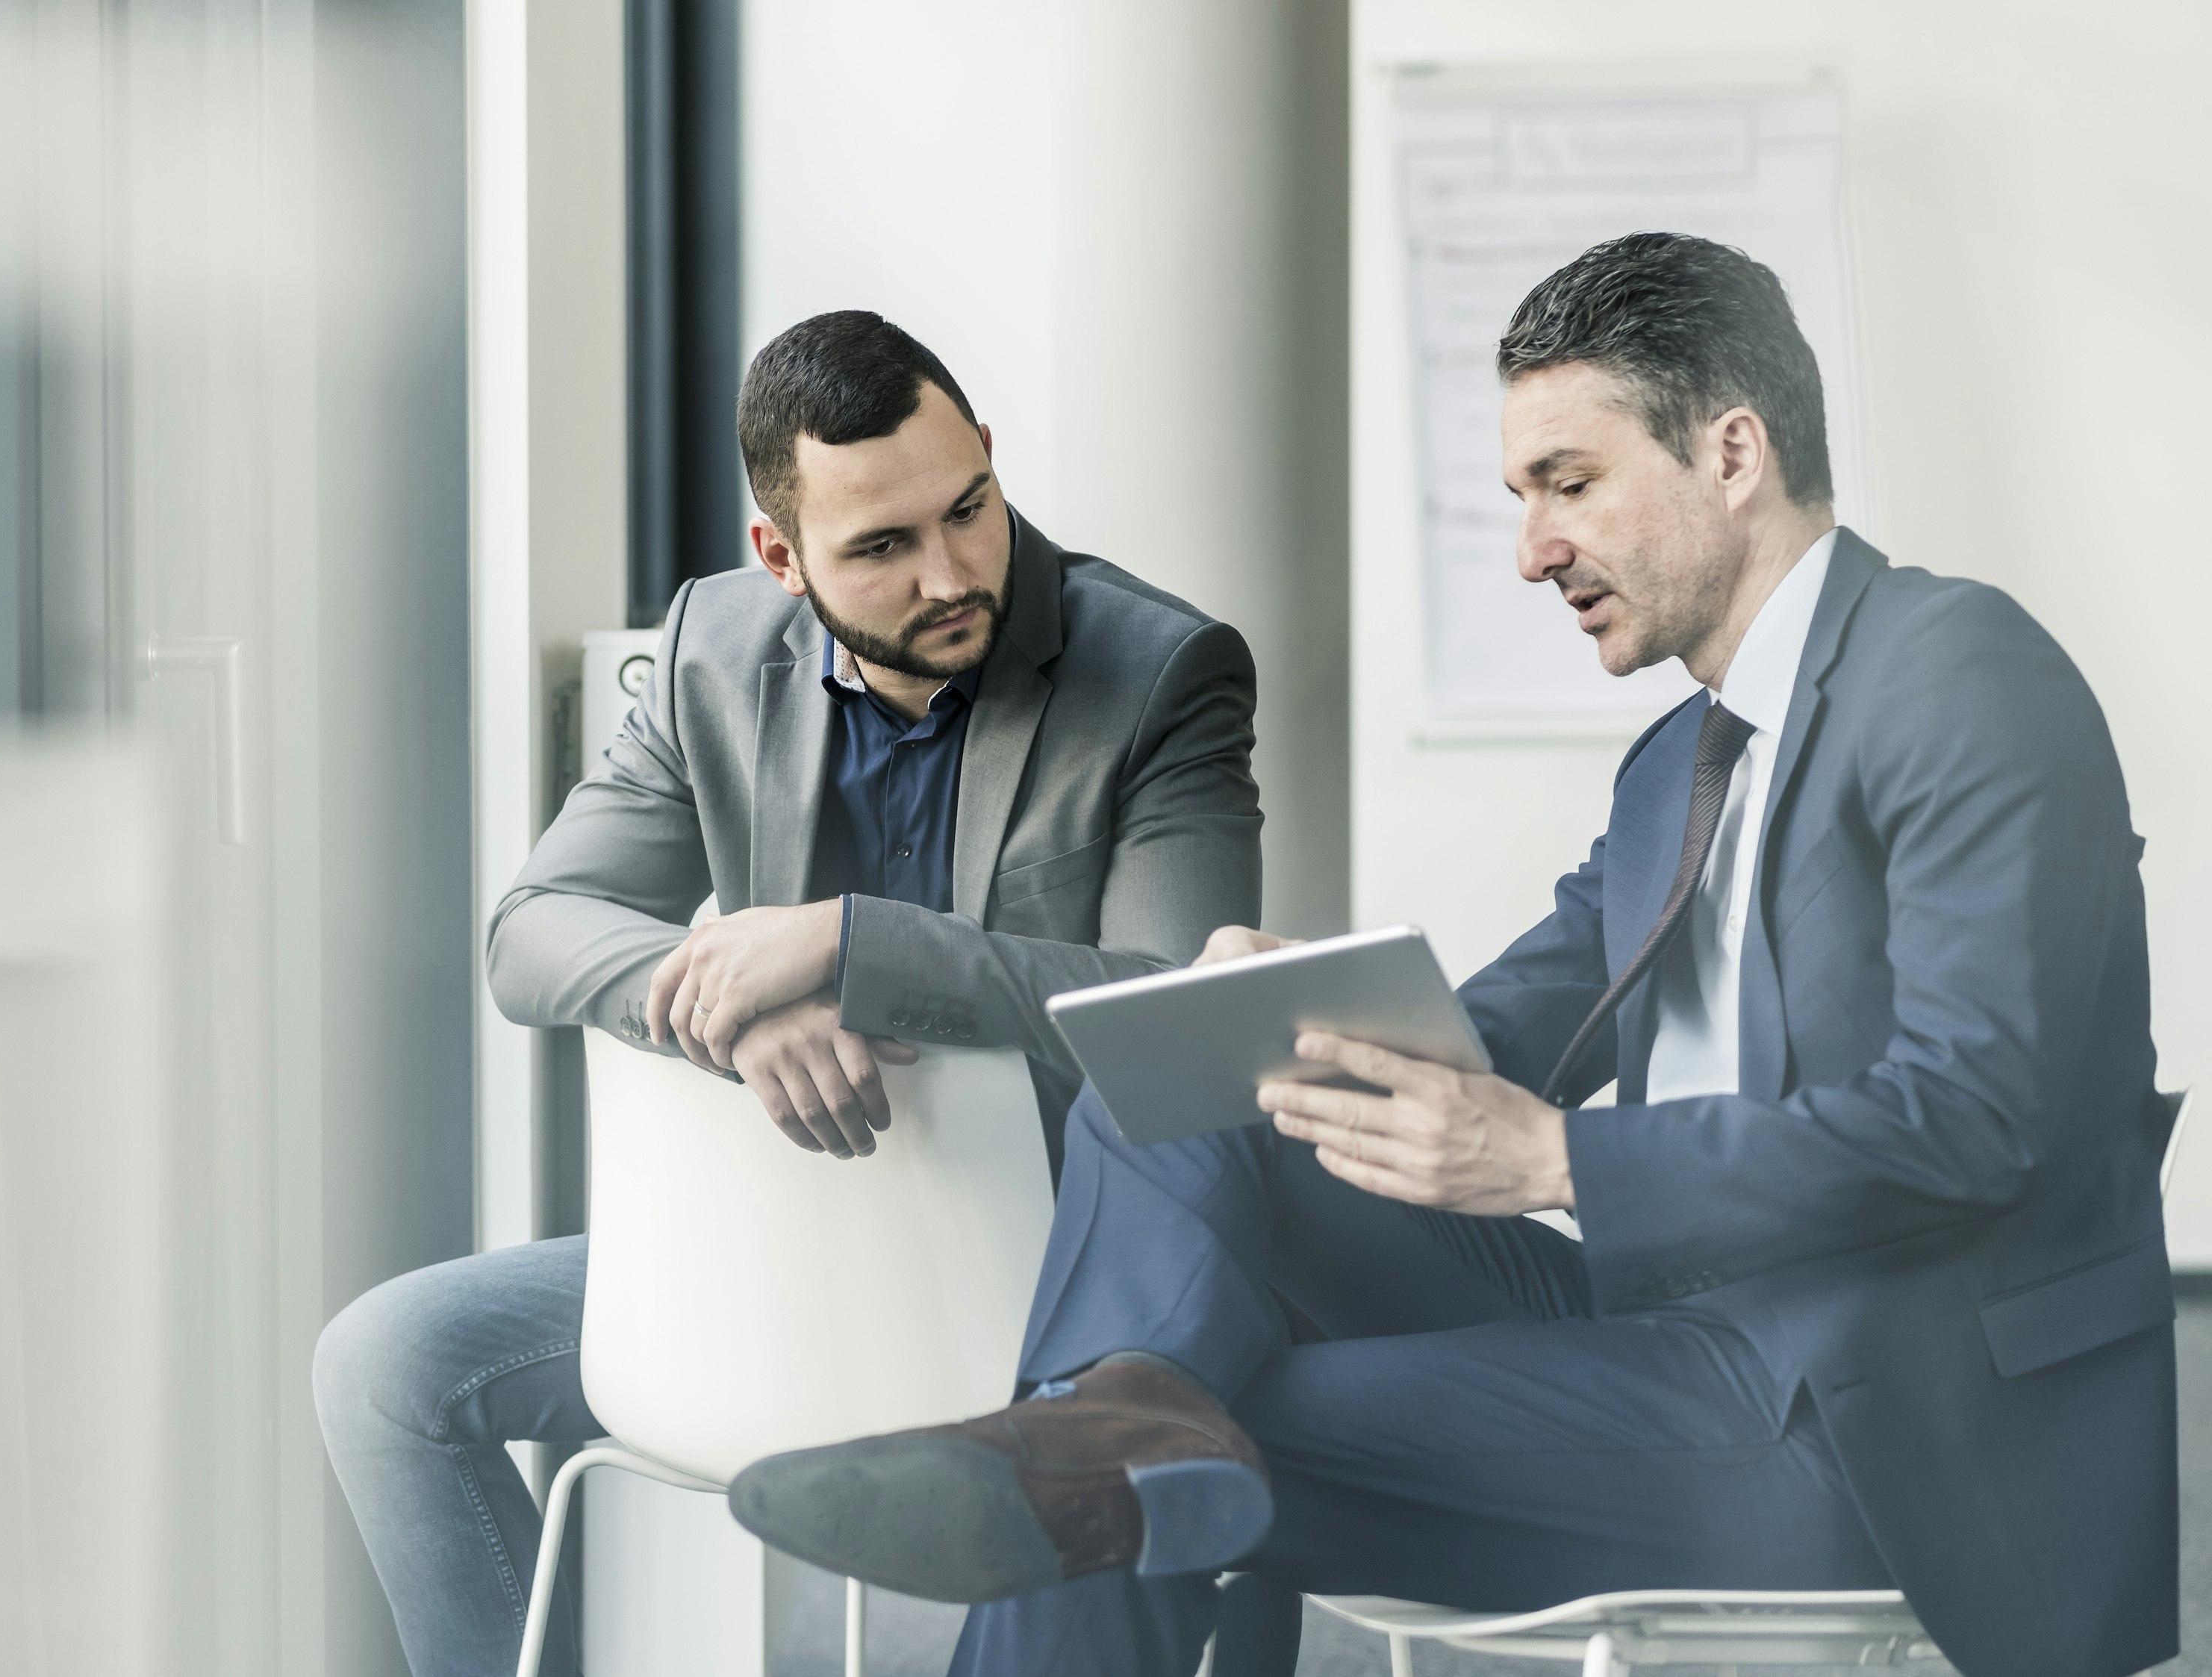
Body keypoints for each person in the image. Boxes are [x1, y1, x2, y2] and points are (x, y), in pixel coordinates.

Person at [729, 235, 2175, 1677]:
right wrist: (1288, 1014)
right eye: (1522, 498)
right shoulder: (1680, 763)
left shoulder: (1959, 671)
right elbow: (1501, 1022)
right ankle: (1126, 1405)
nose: (1536, 547)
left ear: (1732, 452)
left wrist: (1558, 1164)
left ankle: (1119, 1429)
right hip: (1660, 1336)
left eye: (1570, 483)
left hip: (1872, 1429)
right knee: (1181, 1100)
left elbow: (1976, 1116)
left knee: (1187, 1453)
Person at [312, 309, 1269, 1677]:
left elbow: (1170, 1011)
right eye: (881, 547)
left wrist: (841, 942)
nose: (949, 574)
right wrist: (733, 1000)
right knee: (385, 1365)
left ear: (990, 458)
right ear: (782, 553)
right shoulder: (714, 644)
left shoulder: (1162, 670)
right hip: (783, 1244)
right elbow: (532, 931)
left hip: (1062, 1280)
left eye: (969, 509)